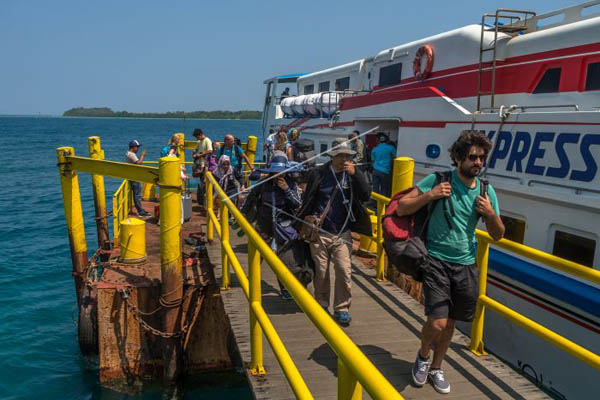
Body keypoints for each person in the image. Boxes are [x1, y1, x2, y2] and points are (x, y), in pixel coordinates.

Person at [395, 130, 505, 394]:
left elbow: (498, 234)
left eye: (482, 158)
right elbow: (401, 208)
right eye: (472, 157)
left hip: (466, 265)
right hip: (436, 261)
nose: (478, 163)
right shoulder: (439, 180)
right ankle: (422, 356)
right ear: (457, 158)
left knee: (452, 323)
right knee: (437, 322)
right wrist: (430, 196)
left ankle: (436, 366)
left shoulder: (487, 191)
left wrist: (490, 214)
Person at [296, 137, 371, 326]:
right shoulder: (319, 173)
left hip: (343, 232)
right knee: (321, 272)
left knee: (344, 271)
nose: (344, 160)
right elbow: (309, 198)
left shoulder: (352, 174)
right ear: (332, 156)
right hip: (320, 231)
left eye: (347, 156)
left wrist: (356, 175)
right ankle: (321, 303)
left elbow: (366, 195)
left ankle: (342, 308)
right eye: (340, 156)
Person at [242, 154, 310, 299]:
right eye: (274, 172)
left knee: (284, 257)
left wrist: (286, 189)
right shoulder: (263, 183)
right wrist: (242, 216)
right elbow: (251, 198)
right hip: (264, 221)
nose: (277, 175)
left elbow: (297, 204)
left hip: (284, 224)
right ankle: (253, 279)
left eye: (280, 172)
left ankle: (285, 288)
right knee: (257, 252)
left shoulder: (290, 183)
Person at [125, 140, 151, 217]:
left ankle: (140, 210)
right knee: (137, 195)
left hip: (132, 175)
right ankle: (140, 211)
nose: (138, 149)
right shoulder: (132, 155)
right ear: (133, 147)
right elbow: (139, 163)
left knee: (136, 194)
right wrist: (143, 155)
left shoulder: (128, 153)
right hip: (135, 177)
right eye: (137, 147)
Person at [370, 132, 396, 197]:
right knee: (384, 189)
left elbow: (373, 161)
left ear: (378, 140)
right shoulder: (391, 148)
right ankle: (383, 205)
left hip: (375, 171)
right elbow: (395, 159)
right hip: (385, 171)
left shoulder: (374, 149)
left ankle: (375, 203)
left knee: (375, 188)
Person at [192, 128, 213, 205]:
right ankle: (203, 199)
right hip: (200, 164)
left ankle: (207, 200)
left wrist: (200, 155)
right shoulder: (199, 141)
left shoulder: (207, 140)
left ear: (200, 134)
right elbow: (195, 149)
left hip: (206, 165)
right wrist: (194, 153)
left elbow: (210, 150)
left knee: (205, 182)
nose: (197, 139)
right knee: (202, 182)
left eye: (197, 137)